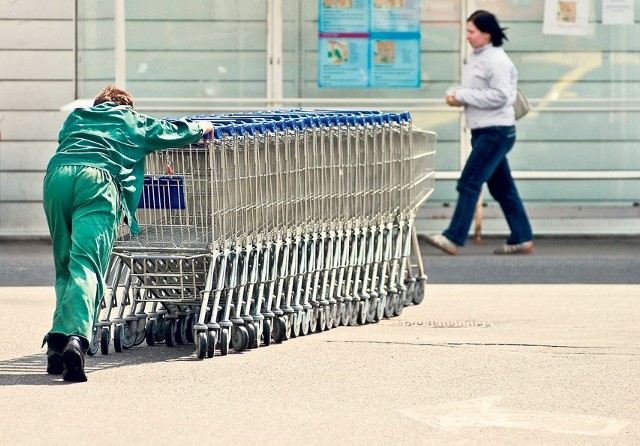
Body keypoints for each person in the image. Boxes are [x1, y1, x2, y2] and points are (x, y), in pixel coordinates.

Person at [42, 86, 214, 382]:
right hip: (96, 183)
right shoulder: (132, 120)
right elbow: (171, 131)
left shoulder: (77, 118)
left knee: (65, 265)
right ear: (127, 107)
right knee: (87, 266)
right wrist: (202, 127)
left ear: (98, 105)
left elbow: (66, 142)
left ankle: (57, 345)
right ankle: (77, 339)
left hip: (57, 177)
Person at [425, 10, 534, 256]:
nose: (467, 36)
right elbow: (477, 90)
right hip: (486, 131)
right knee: (503, 188)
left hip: (495, 132)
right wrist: (457, 94)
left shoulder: (496, 60)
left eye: (472, 32)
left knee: (469, 182)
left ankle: (453, 238)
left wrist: (462, 96)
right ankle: (522, 237)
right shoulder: (479, 57)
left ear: (486, 34)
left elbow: (502, 96)